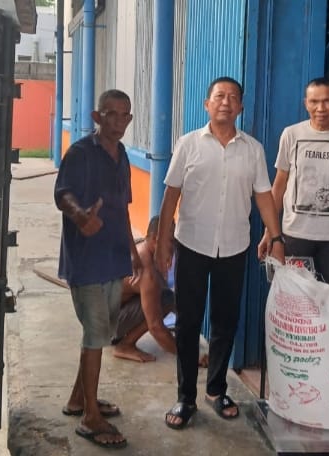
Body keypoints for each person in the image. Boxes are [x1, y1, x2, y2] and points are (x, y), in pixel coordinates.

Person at [155, 76, 285, 430]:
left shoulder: (252, 149)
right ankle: (185, 397)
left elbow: (264, 196)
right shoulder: (188, 144)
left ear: (240, 106)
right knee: (188, 322)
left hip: (234, 246)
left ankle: (216, 390)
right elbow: (171, 195)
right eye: (219, 96)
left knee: (226, 321)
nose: (225, 102)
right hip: (192, 244)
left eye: (232, 97)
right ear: (207, 104)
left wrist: (276, 237)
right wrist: (164, 241)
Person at [55, 89, 140, 449]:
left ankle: (79, 399)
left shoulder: (122, 155)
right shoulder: (80, 153)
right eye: (111, 114)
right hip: (87, 259)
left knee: (100, 334)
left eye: (124, 115)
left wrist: (133, 251)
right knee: (94, 336)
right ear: (96, 116)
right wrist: (80, 216)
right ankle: (90, 417)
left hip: (114, 258)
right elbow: (62, 194)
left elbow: (123, 207)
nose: (118, 121)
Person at [258, 77, 329, 283]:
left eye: (327, 101)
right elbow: (279, 185)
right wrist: (270, 232)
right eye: (314, 101)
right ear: (305, 103)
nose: (320, 108)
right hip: (295, 234)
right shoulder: (291, 134)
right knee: (296, 297)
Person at [111, 216, 209, 366]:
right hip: (107, 326)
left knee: (166, 296)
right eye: (170, 241)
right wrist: (190, 355)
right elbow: (155, 327)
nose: (173, 247)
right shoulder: (147, 272)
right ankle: (125, 345)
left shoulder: (143, 246)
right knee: (163, 300)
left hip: (106, 314)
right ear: (155, 239)